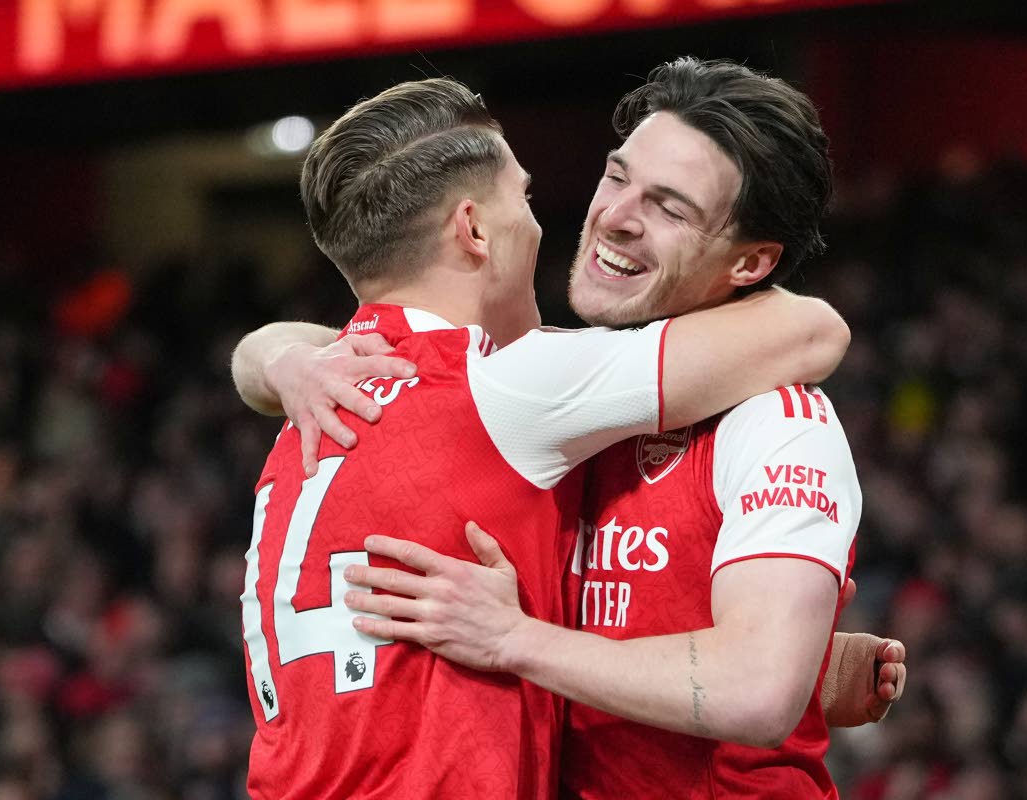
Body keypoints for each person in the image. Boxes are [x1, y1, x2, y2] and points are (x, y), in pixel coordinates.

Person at [238, 59, 903, 799]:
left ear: (751, 261)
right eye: (617, 177)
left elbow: (755, 688)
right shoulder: (528, 394)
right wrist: (280, 357)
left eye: (671, 208)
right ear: (474, 228)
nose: (613, 215)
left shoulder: (773, 420)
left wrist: (278, 357)